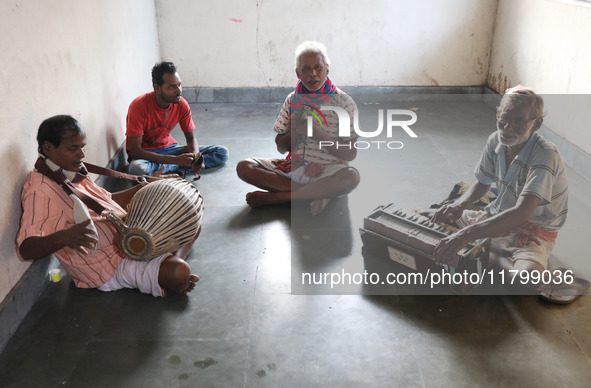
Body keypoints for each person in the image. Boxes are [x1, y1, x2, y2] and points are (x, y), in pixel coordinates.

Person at [16, 115, 199, 297]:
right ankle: (168, 268)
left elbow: (108, 201)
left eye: (82, 147)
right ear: (48, 148)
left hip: (126, 236)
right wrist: (64, 237)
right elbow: (26, 249)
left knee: (190, 221)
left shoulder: (68, 170)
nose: (81, 154)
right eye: (73, 148)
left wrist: (148, 185)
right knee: (179, 271)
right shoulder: (40, 190)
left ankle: (163, 265)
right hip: (106, 265)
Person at [430, 85, 569, 291]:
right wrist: (459, 205)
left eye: (518, 121)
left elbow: (522, 213)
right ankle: (489, 251)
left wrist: (466, 234)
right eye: (503, 118)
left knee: (525, 279)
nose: (508, 128)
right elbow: (482, 183)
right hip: (497, 215)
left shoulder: (546, 154)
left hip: (533, 230)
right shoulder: (495, 140)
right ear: (497, 113)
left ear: (537, 124)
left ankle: (486, 251)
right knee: (428, 217)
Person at [236, 41, 360, 216]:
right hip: (294, 167)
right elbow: (281, 148)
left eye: (318, 67)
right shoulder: (293, 100)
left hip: (329, 170)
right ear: (298, 73)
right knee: (245, 167)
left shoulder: (344, 103)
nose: (313, 74)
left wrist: (317, 134)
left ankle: (281, 198)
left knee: (351, 177)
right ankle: (317, 193)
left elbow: (350, 154)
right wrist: (292, 133)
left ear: (327, 69)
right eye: (306, 69)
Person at [126, 61, 228, 177]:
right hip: (147, 155)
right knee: (137, 169)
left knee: (221, 152)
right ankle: (179, 167)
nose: (179, 90)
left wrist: (195, 157)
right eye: (172, 87)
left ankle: (171, 169)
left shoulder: (181, 104)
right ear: (157, 88)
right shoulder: (138, 106)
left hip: (171, 149)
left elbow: (191, 138)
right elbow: (135, 152)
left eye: (179, 85)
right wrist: (175, 160)